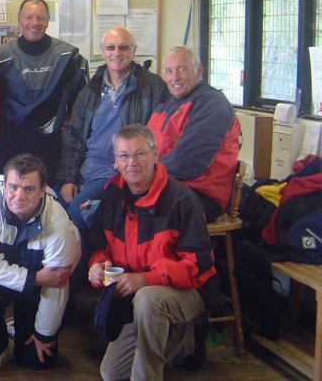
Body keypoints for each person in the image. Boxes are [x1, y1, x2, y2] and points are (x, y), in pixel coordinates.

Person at [88, 124, 217, 381]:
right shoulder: (113, 196)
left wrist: (146, 279)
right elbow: (101, 247)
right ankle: (186, 339)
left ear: (155, 154)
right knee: (111, 374)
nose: (132, 162)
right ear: (115, 161)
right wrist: (98, 265)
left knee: (148, 299)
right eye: (124, 156)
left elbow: (198, 267)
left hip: (188, 292)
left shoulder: (181, 199)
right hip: (136, 297)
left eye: (140, 154)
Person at [0, 153, 81, 376]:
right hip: (18, 278)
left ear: (43, 188)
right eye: (13, 187)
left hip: (41, 288)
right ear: (3, 184)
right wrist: (33, 278)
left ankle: (20, 327)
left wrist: (44, 334)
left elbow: (57, 280)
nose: (19, 196)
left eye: (29, 189)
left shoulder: (57, 217)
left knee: (37, 361)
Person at [56, 27, 168, 248]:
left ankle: (85, 277)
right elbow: (74, 137)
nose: (117, 52)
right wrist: (69, 178)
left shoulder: (153, 87)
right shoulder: (90, 91)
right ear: (103, 51)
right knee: (53, 211)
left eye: (123, 47)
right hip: (87, 173)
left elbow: (162, 137)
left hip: (123, 172)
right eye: (111, 47)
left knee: (75, 216)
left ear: (134, 51)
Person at [0, 0, 87, 184]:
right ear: (19, 19)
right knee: (12, 196)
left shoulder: (67, 56)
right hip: (11, 142)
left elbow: (81, 107)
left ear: (48, 21)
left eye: (40, 18)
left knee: (47, 196)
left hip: (51, 144)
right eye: (28, 17)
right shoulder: (1, 56)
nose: (34, 23)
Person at [147, 46, 241, 222]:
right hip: (166, 183)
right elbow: (143, 145)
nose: (175, 77)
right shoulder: (166, 106)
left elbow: (187, 163)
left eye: (182, 69)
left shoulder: (212, 104)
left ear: (199, 70)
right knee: (112, 196)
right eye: (169, 71)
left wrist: (143, 172)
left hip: (200, 195)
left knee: (131, 208)